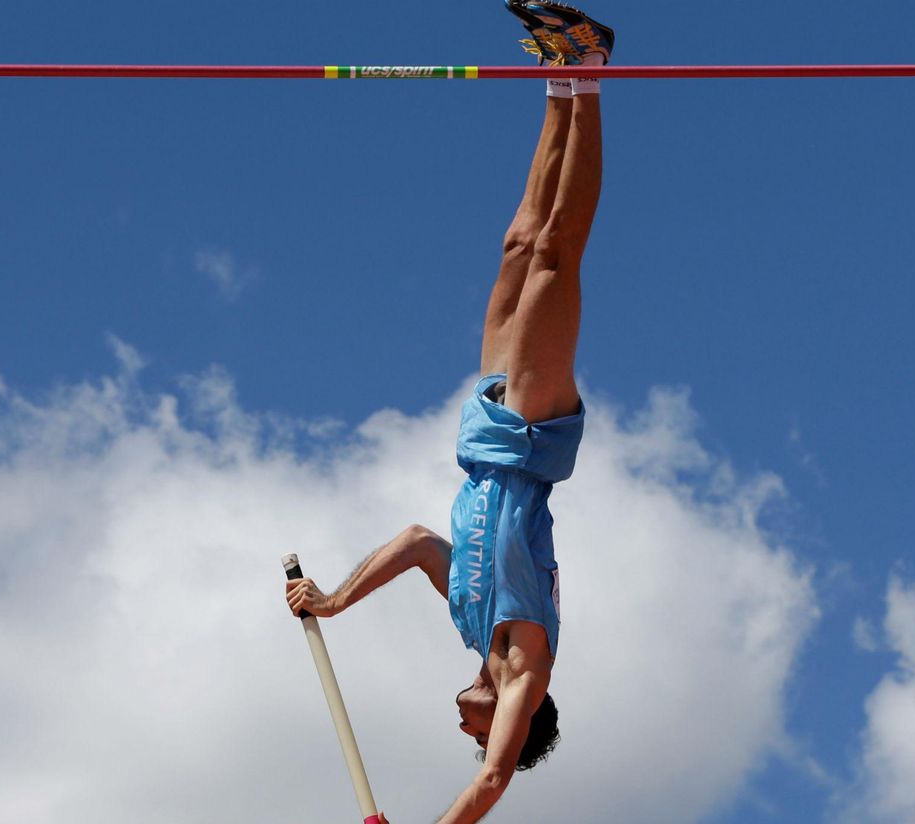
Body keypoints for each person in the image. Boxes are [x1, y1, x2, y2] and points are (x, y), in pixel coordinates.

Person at [285, 3, 613, 821]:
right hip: (528, 442)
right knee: (553, 257)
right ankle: (593, 75)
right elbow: (493, 783)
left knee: (518, 242)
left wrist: (332, 602)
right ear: (515, 721)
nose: (461, 727)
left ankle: (559, 75)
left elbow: (415, 542)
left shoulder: (471, 623)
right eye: (475, 733)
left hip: (482, 433)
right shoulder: (528, 668)